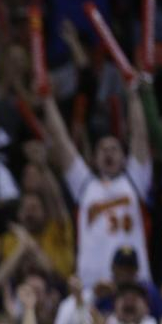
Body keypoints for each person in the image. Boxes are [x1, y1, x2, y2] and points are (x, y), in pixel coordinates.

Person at [44, 85, 153, 288]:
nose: (108, 152)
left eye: (114, 149)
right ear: (94, 160)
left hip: (134, 284)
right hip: (91, 286)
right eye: (103, 149)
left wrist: (132, 93)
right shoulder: (84, 184)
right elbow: (61, 141)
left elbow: (140, 135)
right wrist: (47, 100)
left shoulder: (135, 179)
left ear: (124, 158)